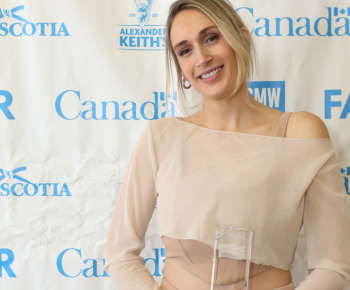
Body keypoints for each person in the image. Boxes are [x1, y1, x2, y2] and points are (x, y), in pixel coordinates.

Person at [104, 0, 350, 289]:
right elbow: (120, 254)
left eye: (211, 38)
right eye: (185, 50)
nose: (202, 57)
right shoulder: (161, 136)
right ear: (181, 69)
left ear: (241, 39)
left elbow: (333, 266)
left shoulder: (299, 133)